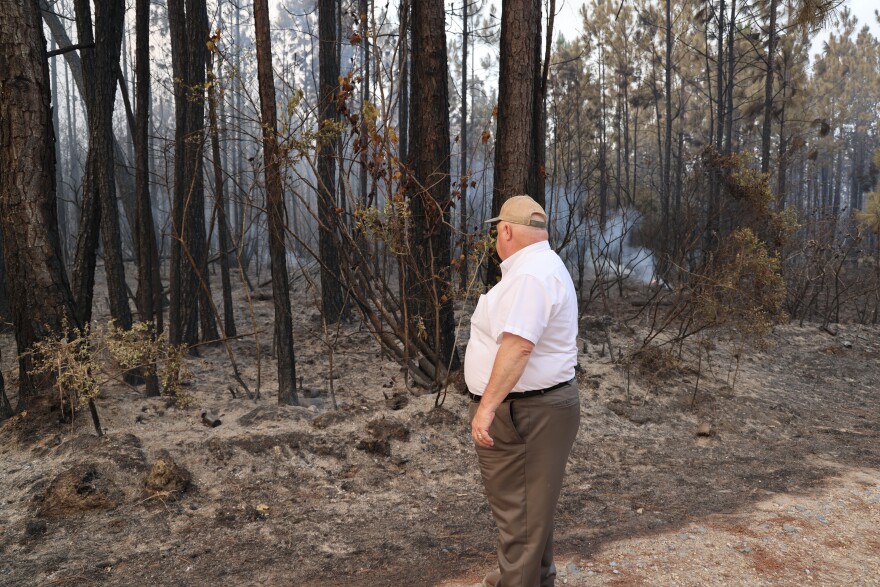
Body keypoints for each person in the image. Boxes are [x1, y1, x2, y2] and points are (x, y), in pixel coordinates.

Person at [465, 195, 581, 587]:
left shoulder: (532, 275)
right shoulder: (542, 266)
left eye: (497, 230)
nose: (497, 237)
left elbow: (518, 346)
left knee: (520, 522)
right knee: (532, 516)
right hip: (535, 409)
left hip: (526, 414)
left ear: (508, 230)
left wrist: (486, 408)